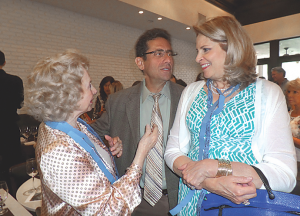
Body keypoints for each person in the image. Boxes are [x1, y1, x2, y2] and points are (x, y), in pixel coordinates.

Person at [165, 16, 296, 215]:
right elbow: (173, 151)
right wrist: (211, 183)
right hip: (190, 203)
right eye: (197, 50)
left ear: (232, 49)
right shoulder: (191, 91)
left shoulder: (267, 93)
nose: (197, 58)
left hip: (240, 206)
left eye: (206, 49)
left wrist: (215, 167)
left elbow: (285, 174)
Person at [26, 49, 159, 215]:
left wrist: (105, 148)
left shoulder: (68, 124)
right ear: (69, 95)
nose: (95, 91)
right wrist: (141, 154)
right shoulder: (57, 151)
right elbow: (108, 211)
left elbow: (84, 158)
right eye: (89, 85)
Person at [92, 28, 184, 216]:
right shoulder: (118, 101)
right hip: (136, 201)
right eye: (158, 53)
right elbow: (93, 135)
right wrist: (109, 143)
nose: (168, 59)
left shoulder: (187, 97)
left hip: (180, 198)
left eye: (169, 53)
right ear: (140, 62)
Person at [0, 50, 24, 188]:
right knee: (13, 164)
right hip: (9, 127)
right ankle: (15, 196)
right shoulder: (15, 80)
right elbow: (20, 104)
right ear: (4, 63)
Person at [287, 78, 300, 172]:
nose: (290, 95)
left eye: (295, 92)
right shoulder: (288, 113)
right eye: (289, 91)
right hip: (290, 161)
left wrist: (287, 136)